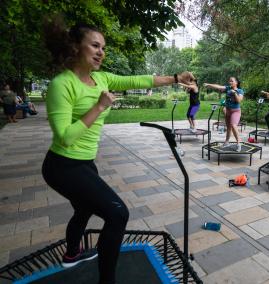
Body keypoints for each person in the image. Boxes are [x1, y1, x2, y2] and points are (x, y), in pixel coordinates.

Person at [42, 20, 195, 284]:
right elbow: (65, 137)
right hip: (62, 166)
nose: (101, 52)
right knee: (117, 213)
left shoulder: (100, 78)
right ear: (76, 47)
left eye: (103, 47)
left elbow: (137, 78)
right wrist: (99, 107)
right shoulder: (62, 84)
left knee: (83, 209)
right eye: (95, 45)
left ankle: (72, 254)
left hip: (84, 163)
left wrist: (174, 79)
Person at [204, 77, 244, 151]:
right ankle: (227, 141)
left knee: (233, 125)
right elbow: (219, 86)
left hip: (235, 111)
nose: (230, 82)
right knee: (228, 127)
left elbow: (239, 101)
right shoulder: (228, 88)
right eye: (229, 81)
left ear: (236, 82)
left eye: (232, 81)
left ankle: (239, 143)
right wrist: (209, 84)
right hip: (228, 111)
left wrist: (234, 92)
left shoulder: (240, 91)